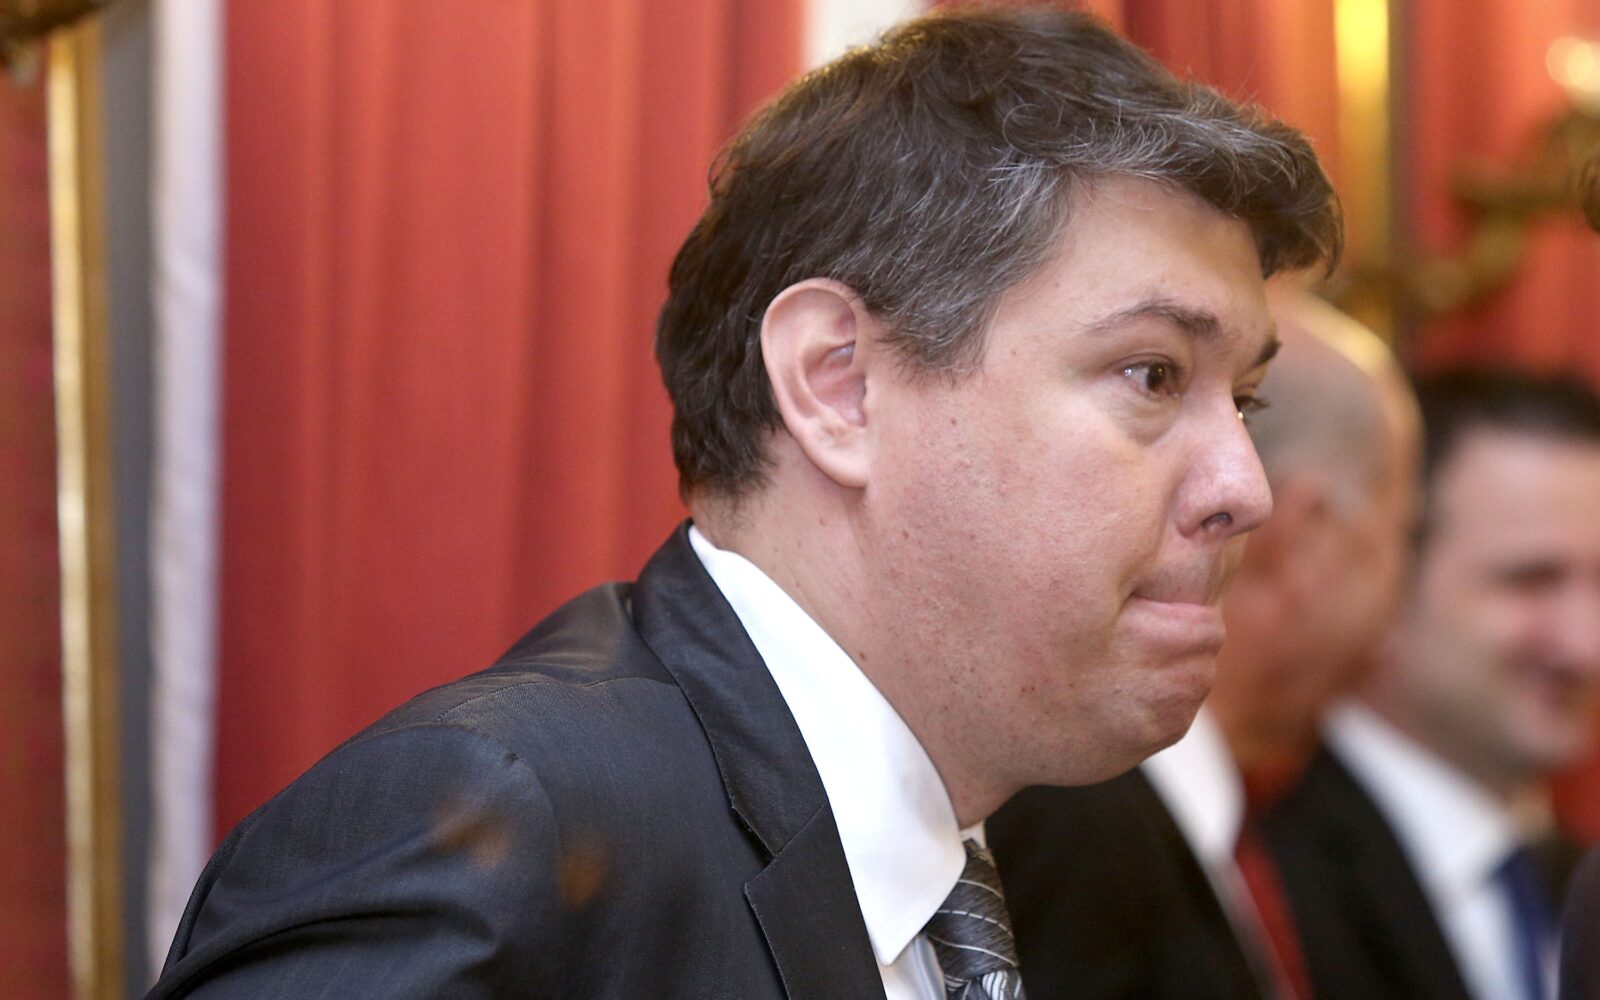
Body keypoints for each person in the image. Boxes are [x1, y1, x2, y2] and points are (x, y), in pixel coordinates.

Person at [145, 8, 1339, 999]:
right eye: (1151, 375)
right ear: (838, 385)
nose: (1245, 488)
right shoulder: (501, 828)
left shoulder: (965, 873)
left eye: (1244, 400)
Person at [987, 290, 1418, 1000]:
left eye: (1245, 404)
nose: (1401, 599)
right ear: (1304, 539)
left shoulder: (1294, 834)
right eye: (1398, 534)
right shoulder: (1066, 821)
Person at [1266, 370, 1600, 1000]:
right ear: (1389, 572)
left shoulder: (1576, 884)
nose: (1585, 644)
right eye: (1530, 581)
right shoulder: (1261, 866)